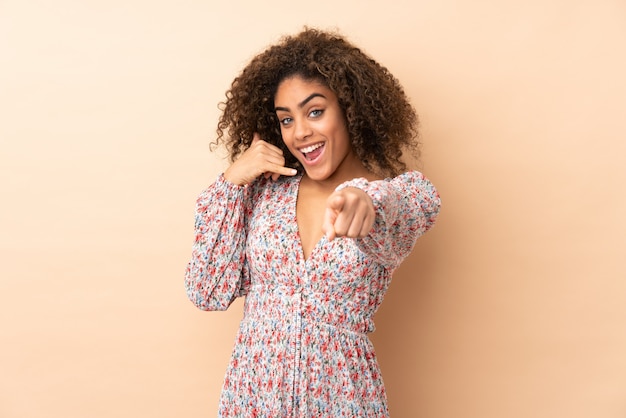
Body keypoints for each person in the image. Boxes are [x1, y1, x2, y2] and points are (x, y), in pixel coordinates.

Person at [185, 27, 441, 417]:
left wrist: (368, 200)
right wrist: (232, 182)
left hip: (342, 401)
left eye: (315, 111)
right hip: (254, 400)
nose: (301, 132)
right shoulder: (263, 195)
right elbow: (207, 290)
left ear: (351, 110)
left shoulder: (392, 198)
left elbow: (411, 205)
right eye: (286, 120)